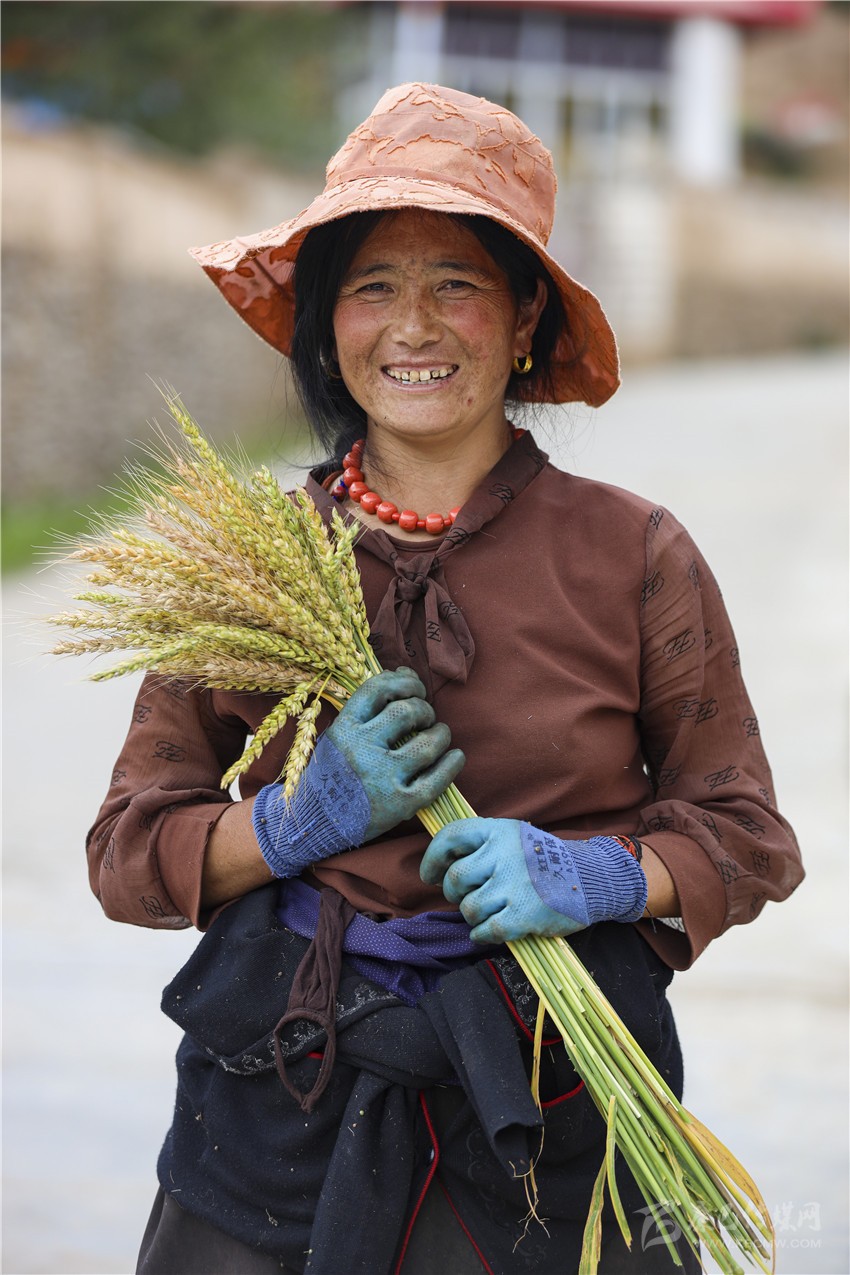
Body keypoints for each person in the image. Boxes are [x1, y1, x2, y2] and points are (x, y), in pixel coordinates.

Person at [88, 83, 803, 1275]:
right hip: (279, 1106)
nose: (410, 326)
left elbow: (745, 836)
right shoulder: (246, 563)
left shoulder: (633, 552)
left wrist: (598, 878)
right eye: (371, 285)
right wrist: (292, 823)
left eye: (454, 284)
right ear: (325, 327)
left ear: (523, 318)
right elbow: (127, 851)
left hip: (552, 1107)